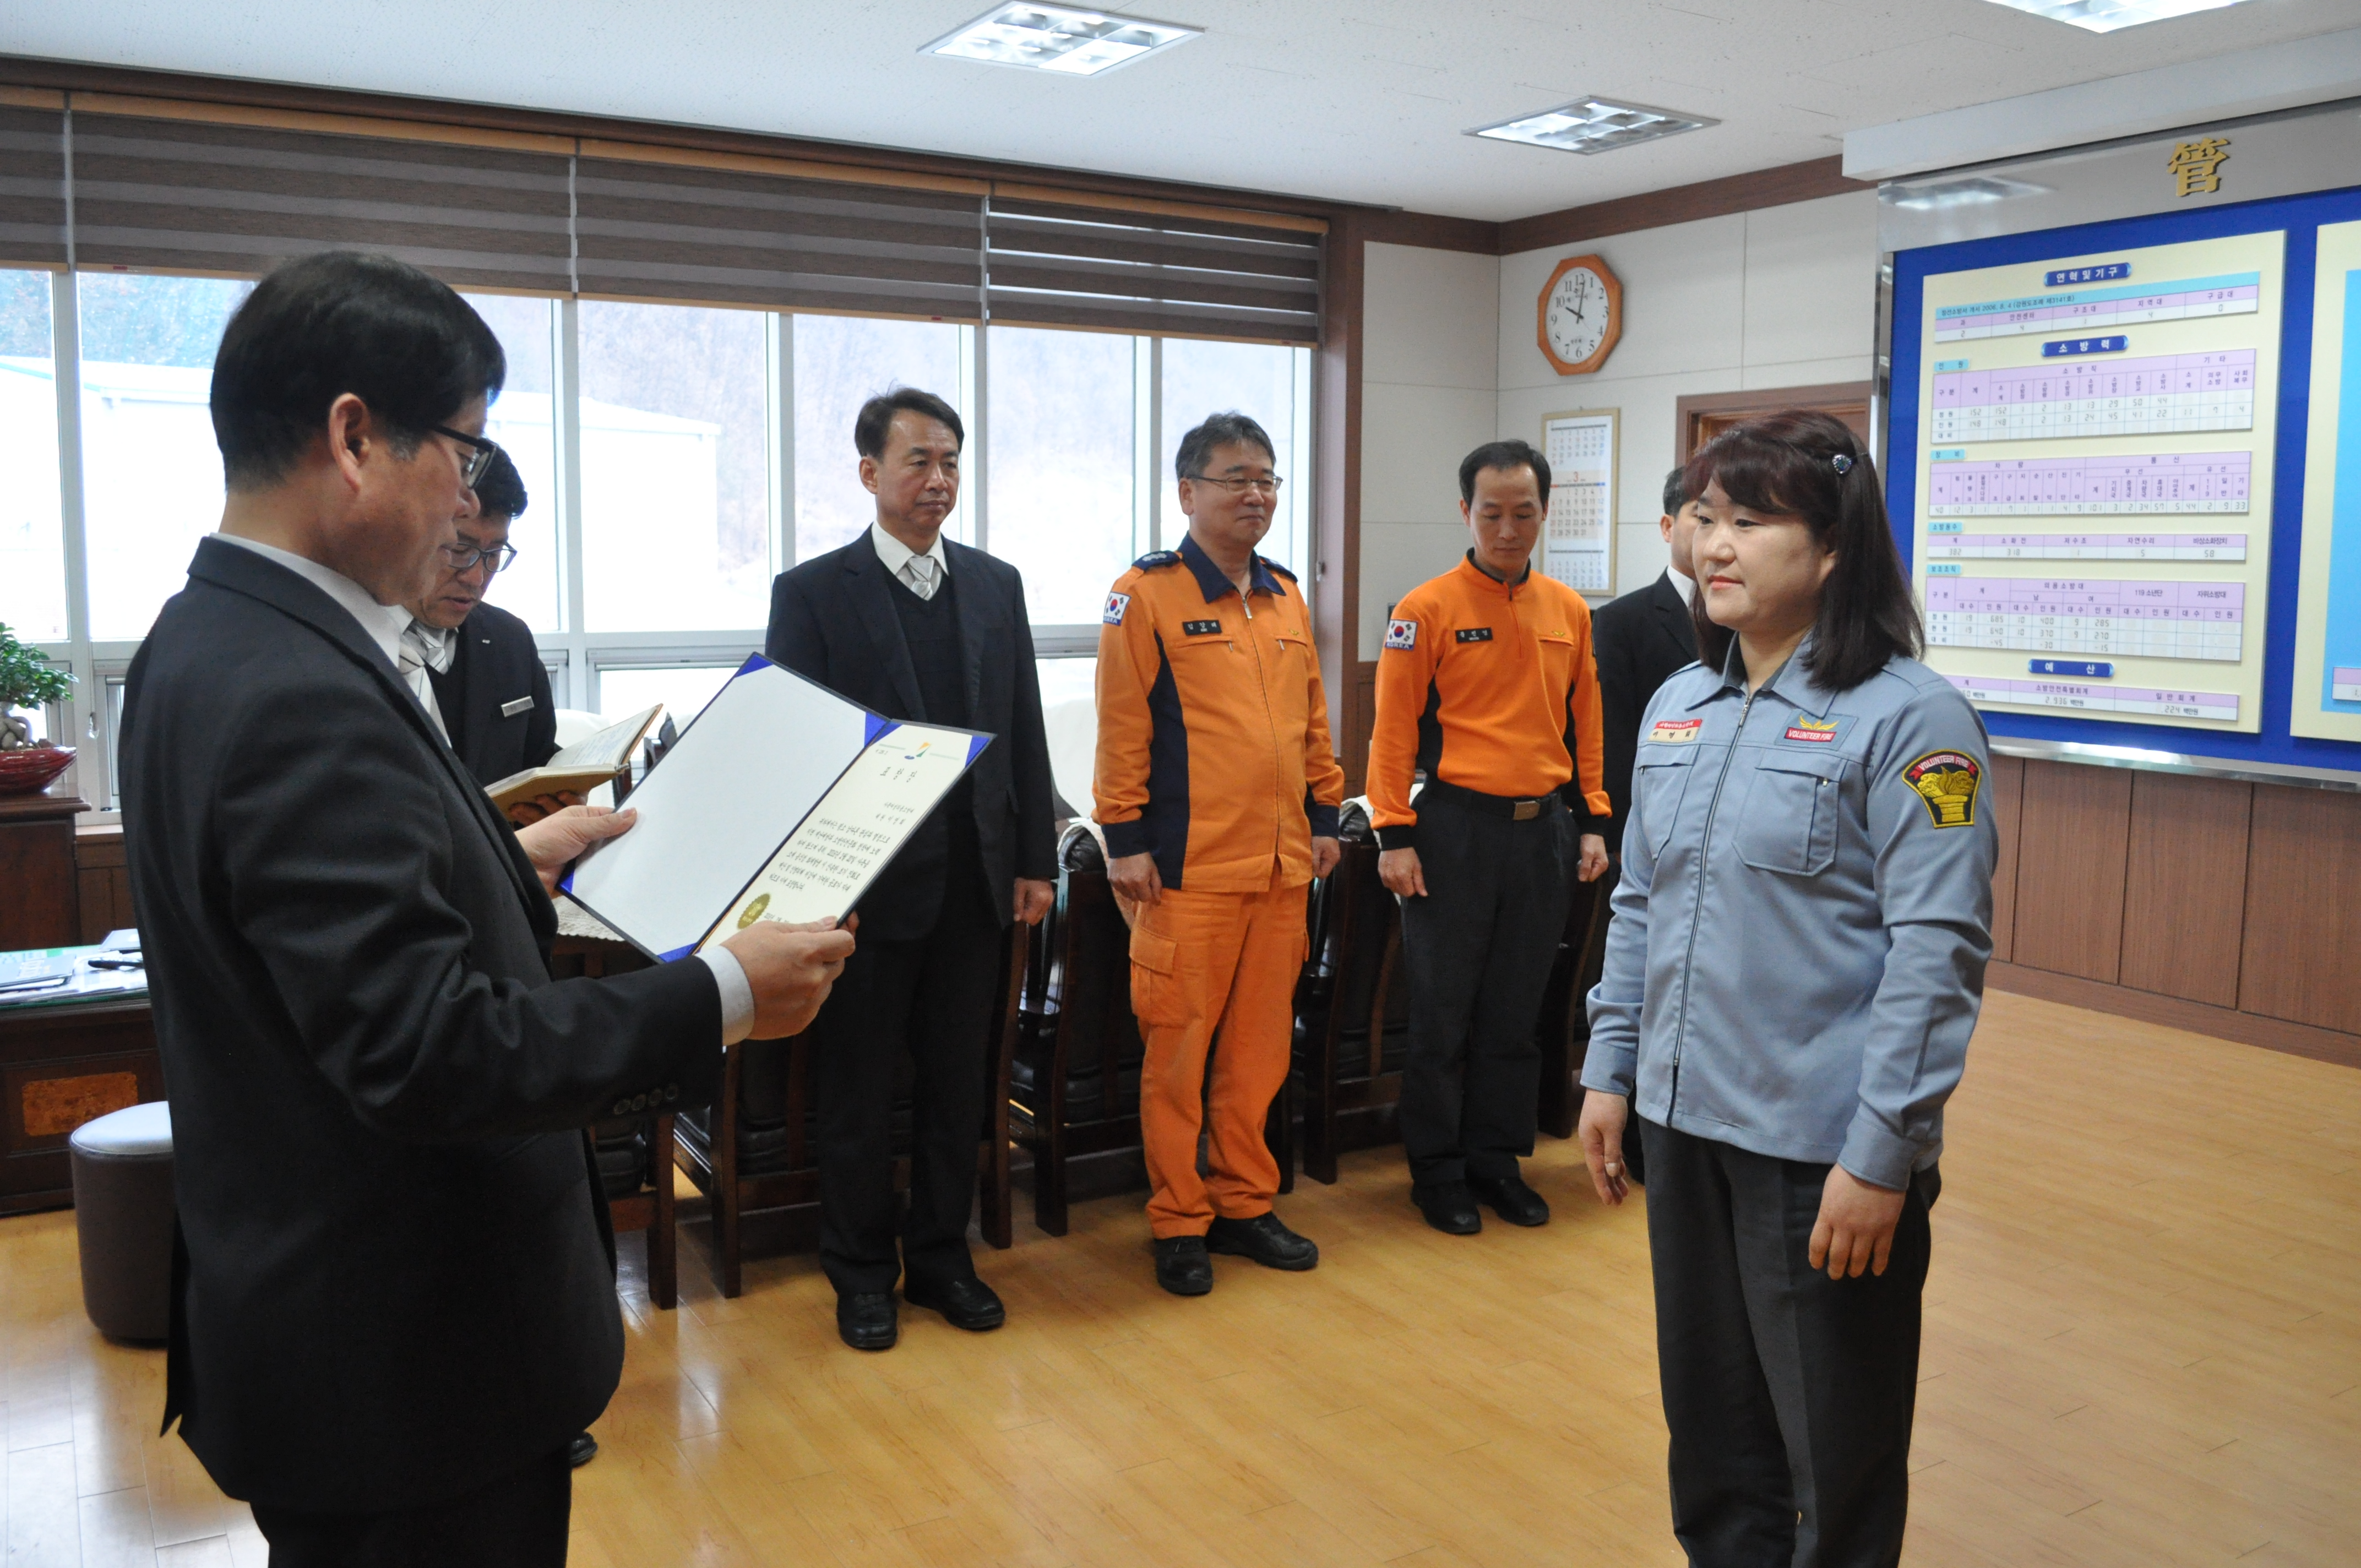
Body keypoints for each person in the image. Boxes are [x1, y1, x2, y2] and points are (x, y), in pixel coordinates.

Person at [119, 250, 854, 1566]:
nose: (469, 500)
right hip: (409, 1367)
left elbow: (308, 943)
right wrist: (726, 989)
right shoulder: (299, 688)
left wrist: (505, 860)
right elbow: (430, 1050)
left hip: (330, 1322)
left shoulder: (206, 634)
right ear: (355, 437)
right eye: (463, 455)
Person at [1577, 411, 1996, 1568]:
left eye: (1751, 521)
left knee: (1834, 1453)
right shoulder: (1677, 704)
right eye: (1705, 517)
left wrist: (1881, 1154)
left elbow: (1935, 950)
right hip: (1684, 1126)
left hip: (1816, 1149)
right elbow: (1639, 904)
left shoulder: (1910, 717)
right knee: (1713, 1441)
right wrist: (1609, 1069)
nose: (1714, 544)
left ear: (1830, 550)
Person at [765, 386, 1057, 1352]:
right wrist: (809, 895)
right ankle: (858, 1271)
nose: (938, 480)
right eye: (918, 461)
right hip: (864, 890)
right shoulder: (812, 592)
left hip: (976, 880)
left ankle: (941, 1256)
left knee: (956, 1085)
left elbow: (1021, 728)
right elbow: (794, 748)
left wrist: (1034, 860)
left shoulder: (995, 584)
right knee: (855, 1088)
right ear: (869, 473)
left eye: (951, 462)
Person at [1095, 411, 1346, 1297]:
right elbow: (1122, 725)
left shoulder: (1285, 595)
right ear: (1187, 492)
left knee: (1258, 1055)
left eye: (1267, 479)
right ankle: (1178, 1218)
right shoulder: (1146, 594)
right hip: (1185, 871)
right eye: (1237, 479)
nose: (1257, 495)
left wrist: (1326, 817)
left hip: (1280, 870)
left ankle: (1244, 1202)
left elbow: (1312, 722)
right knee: (1177, 1056)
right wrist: (1123, 839)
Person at [1367, 439, 1609, 1236]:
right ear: (1465, 512)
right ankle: (1437, 1171)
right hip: (1452, 833)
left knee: (1515, 1012)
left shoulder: (1569, 611)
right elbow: (1392, 733)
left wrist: (1593, 820)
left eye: (1524, 513)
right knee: (1443, 1013)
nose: (1509, 530)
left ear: (1545, 512)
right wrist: (1392, 833)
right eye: (1492, 513)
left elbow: (1586, 725)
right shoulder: (1424, 610)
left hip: (1542, 835)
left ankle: (1497, 1162)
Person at [395, 449, 574, 824]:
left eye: (494, 554)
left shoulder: (511, 641)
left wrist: (564, 799)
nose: (477, 578)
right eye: (460, 550)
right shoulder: (347, 644)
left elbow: (539, 760)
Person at [1591, 464, 1702, 857]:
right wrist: (1618, 835)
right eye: (1703, 518)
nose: (1717, 534)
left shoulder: (1756, 618)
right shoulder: (1621, 620)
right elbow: (1615, 737)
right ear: (1668, 527)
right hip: (1651, 822)